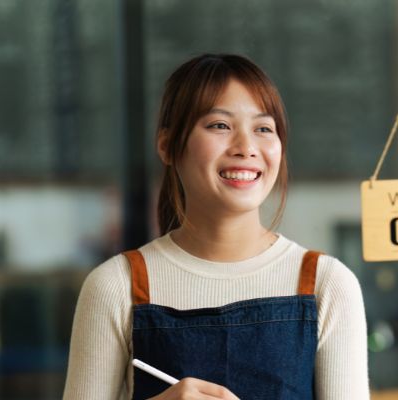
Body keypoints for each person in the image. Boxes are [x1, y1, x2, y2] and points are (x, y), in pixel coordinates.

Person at [63, 54, 369, 400]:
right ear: (167, 146)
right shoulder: (115, 286)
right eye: (219, 126)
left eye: (263, 129)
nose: (246, 148)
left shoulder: (326, 284)